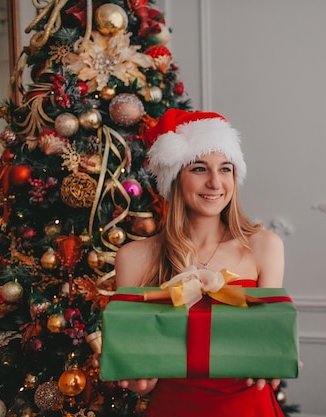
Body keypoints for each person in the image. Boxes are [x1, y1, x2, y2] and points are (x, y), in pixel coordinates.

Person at [113, 108, 286, 417]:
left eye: (225, 169)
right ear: (176, 177)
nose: (215, 183)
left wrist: (276, 360)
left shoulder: (264, 247)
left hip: (248, 409)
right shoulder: (135, 258)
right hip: (174, 409)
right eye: (199, 169)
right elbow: (138, 365)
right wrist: (138, 377)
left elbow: (270, 338)